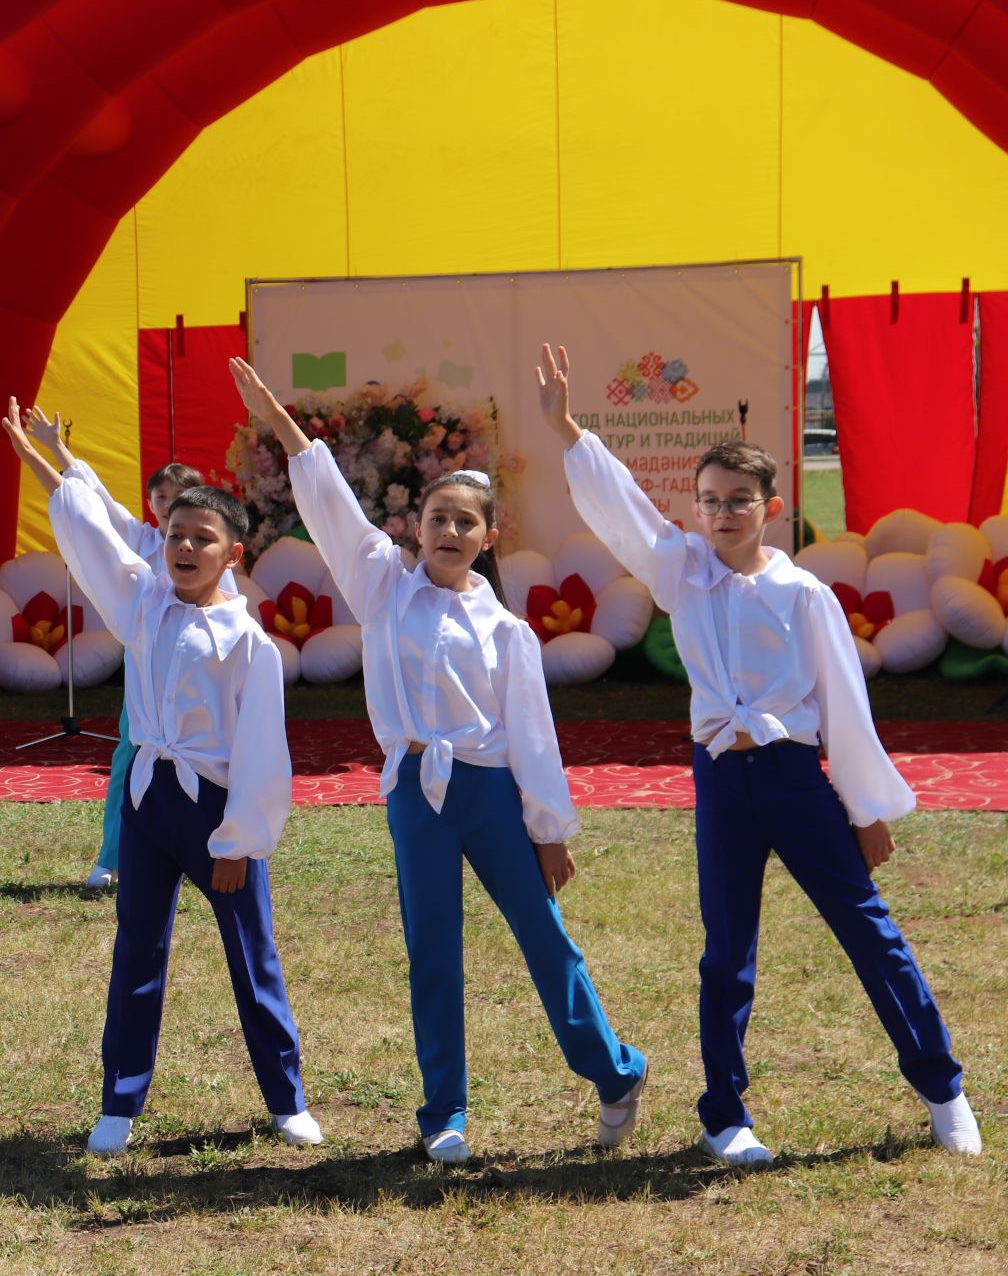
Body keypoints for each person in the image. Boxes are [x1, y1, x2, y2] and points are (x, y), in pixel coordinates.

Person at [536, 342, 981, 1165]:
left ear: (771, 508)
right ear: (697, 510)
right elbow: (624, 508)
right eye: (710, 501)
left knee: (868, 930)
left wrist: (867, 809)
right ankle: (724, 1114)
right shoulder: (680, 573)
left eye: (740, 500)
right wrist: (567, 428)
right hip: (722, 782)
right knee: (726, 950)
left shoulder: (802, 592)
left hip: (793, 776)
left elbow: (845, 706)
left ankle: (942, 1086)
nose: (724, 513)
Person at [229, 357, 647, 1164]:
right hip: (416, 793)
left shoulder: (507, 631)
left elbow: (532, 734)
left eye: (467, 523)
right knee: (433, 952)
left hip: (490, 792)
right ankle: (443, 1112)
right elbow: (329, 503)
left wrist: (549, 828)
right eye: (437, 518)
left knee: (543, 937)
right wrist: (279, 421)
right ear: (415, 527)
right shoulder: (382, 584)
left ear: (491, 538)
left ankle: (615, 1071)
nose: (450, 532)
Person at [18, 408, 322, 1157]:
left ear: (233, 554)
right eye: (175, 536)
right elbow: (90, 529)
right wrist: (43, 460)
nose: (185, 548)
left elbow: (260, 749)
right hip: (148, 800)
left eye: (202, 539)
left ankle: (286, 1100)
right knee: (137, 949)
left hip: (216, 810)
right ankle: (120, 1100)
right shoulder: (144, 602)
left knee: (253, 957)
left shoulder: (249, 643)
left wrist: (238, 840)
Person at [4, 400, 212, 890]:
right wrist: (49, 449)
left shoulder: (214, 548)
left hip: (199, 677)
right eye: (160, 495)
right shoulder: (138, 539)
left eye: (179, 495)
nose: (167, 503)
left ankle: (206, 856)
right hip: (144, 673)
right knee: (130, 762)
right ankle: (114, 858)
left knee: (204, 764)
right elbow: (85, 501)